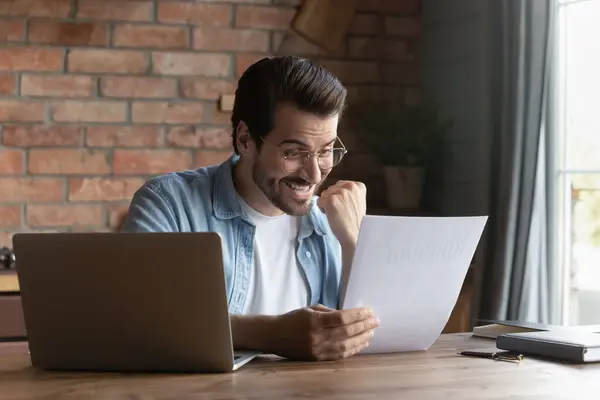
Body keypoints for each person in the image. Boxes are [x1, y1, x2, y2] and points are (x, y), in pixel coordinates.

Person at [121, 56, 380, 361]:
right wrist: (271, 335)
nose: (314, 174)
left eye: (325, 151)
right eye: (294, 152)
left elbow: (368, 336)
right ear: (245, 140)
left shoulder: (333, 220)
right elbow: (137, 324)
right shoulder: (169, 204)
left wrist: (357, 241)